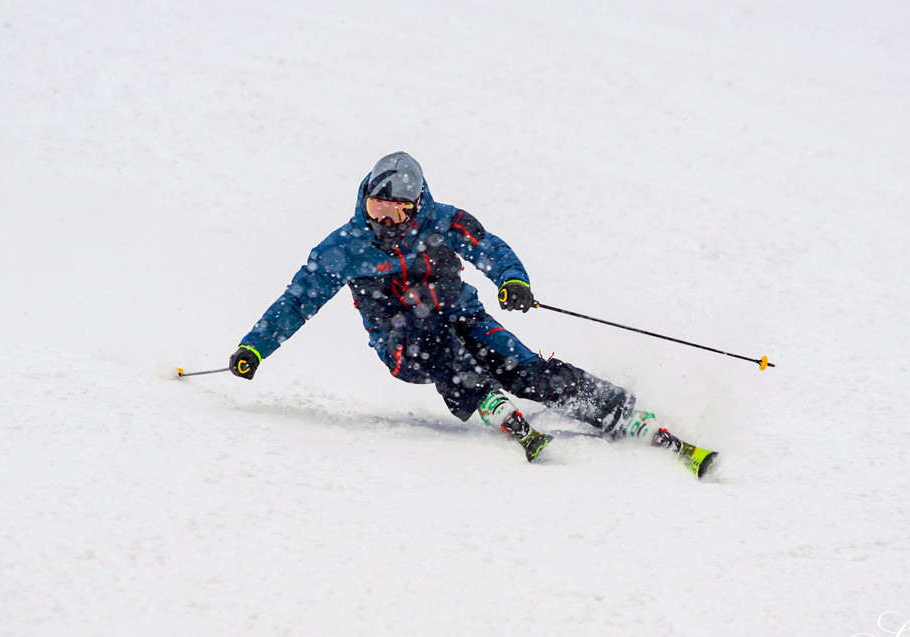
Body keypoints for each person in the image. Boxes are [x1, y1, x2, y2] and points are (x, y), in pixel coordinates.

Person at [228, 152, 636, 462]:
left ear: (416, 205)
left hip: (465, 317)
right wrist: (255, 347)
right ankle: (484, 398)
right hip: (404, 344)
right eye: (376, 210)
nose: (384, 223)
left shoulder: (443, 221)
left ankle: (613, 409)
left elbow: (488, 248)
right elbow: (299, 300)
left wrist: (512, 281)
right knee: (431, 333)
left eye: (395, 213)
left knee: (522, 367)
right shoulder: (345, 246)